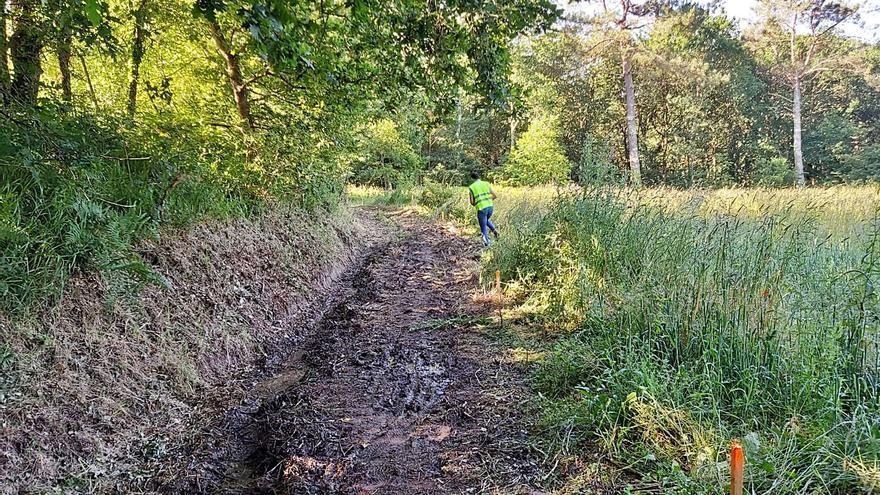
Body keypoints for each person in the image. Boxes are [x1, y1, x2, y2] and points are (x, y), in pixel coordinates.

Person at [467, 172, 499, 246]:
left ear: (472, 178)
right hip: (490, 207)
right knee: (485, 220)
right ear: (479, 177)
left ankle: (487, 244)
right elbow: (495, 195)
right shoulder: (486, 183)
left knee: (483, 227)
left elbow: (472, 202)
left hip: (481, 208)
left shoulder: (471, 187)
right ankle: (494, 231)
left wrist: (477, 203)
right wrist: (488, 200)